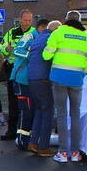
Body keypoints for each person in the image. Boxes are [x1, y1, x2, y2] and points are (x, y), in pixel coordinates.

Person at [43, 11, 87, 163]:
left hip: (59, 78)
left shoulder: (59, 32)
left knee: (62, 115)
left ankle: (63, 153)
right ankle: (76, 152)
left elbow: (46, 55)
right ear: (80, 20)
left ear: (66, 20)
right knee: (75, 115)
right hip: (76, 79)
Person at [11, 19, 48, 150]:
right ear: (41, 27)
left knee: (33, 110)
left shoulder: (45, 39)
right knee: (25, 110)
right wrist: (32, 56)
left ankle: (30, 139)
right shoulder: (30, 36)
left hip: (34, 80)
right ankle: (21, 139)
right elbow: (16, 50)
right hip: (22, 78)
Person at [0, 9, 34, 140]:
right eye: (25, 20)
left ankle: (24, 131)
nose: (27, 22)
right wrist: (6, 49)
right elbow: (1, 48)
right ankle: (11, 131)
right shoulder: (11, 33)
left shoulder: (34, 33)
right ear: (20, 20)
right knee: (12, 102)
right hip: (12, 70)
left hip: (27, 71)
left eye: (30, 20)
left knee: (25, 103)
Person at [27, 20, 60, 156]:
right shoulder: (51, 39)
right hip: (43, 79)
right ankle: (43, 147)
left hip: (32, 79)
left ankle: (33, 142)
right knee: (47, 111)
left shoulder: (39, 37)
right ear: (55, 30)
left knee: (39, 110)